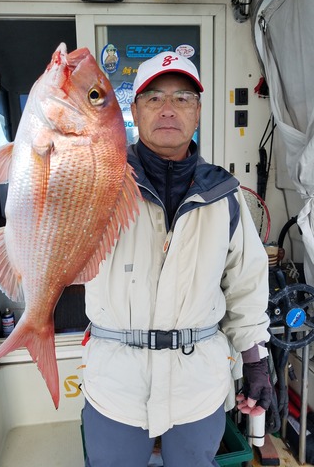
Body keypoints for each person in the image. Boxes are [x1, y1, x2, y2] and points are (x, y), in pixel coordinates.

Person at [80, 51, 271, 466]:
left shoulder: (225, 195)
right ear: (134, 110)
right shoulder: (98, 183)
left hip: (197, 387)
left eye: (183, 98)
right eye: (154, 98)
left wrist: (256, 362)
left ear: (198, 112)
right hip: (116, 385)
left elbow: (247, 284)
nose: (168, 109)